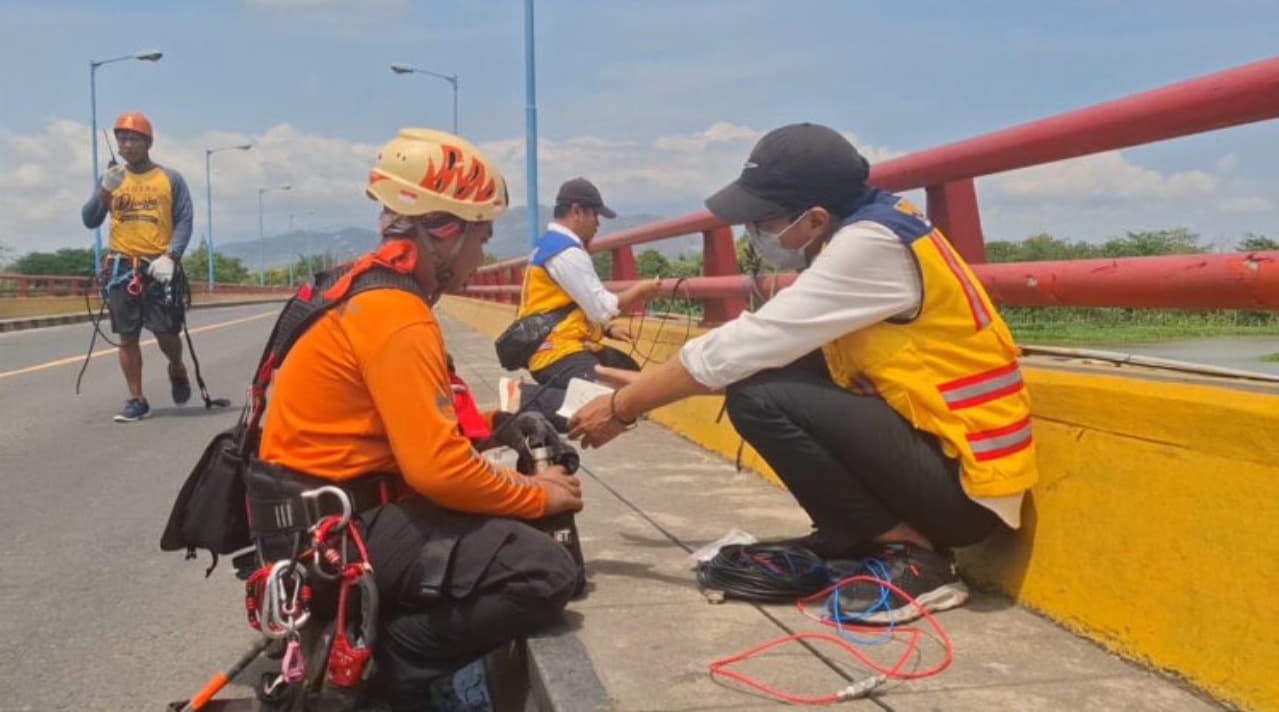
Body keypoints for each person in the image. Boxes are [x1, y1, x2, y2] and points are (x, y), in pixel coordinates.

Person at [569, 123, 1037, 622]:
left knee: (757, 398)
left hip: (967, 486)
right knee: (770, 376)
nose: (753, 232)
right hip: (947, 458)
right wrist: (648, 388)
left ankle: (913, 557)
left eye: (763, 220)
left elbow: (746, 343)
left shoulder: (870, 246)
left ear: (815, 218)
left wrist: (624, 408)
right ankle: (857, 538)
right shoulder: (873, 224)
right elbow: (766, 353)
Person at [255, 128, 582, 709]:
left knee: (500, 529)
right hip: (338, 532)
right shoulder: (398, 315)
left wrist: (495, 424)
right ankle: (384, 663)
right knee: (545, 572)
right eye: (481, 238)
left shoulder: (364, 290)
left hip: (309, 519)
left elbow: (411, 426)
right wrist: (539, 494)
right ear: (445, 231)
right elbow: (438, 470)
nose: (482, 258)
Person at [81, 112, 194, 422]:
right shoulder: (113, 178)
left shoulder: (170, 179)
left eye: (134, 139)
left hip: (158, 267)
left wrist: (171, 256)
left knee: (166, 332)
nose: (127, 145)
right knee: (127, 337)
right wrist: (104, 191)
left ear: (148, 143)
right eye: (122, 139)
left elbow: (184, 220)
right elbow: (90, 219)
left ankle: (176, 366)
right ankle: (137, 398)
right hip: (121, 268)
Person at [513, 177, 662, 392]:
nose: (598, 224)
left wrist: (607, 330)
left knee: (628, 370)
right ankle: (529, 403)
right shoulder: (566, 252)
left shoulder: (550, 245)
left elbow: (573, 305)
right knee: (610, 393)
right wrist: (639, 291)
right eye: (595, 215)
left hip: (558, 345)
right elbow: (602, 308)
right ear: (577, 211)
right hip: (556, 352)